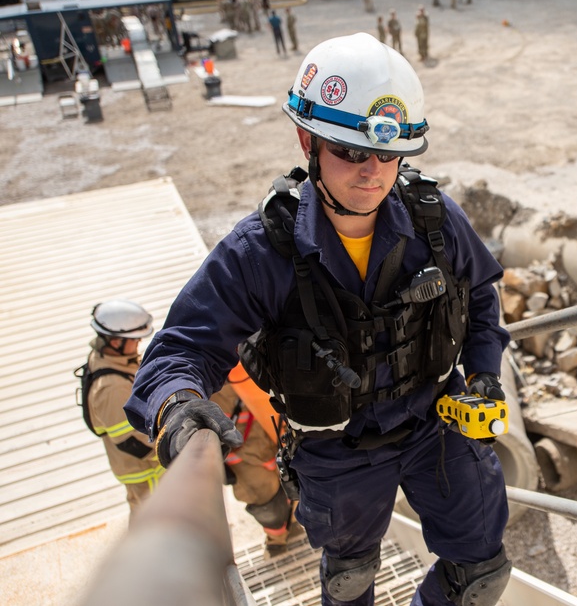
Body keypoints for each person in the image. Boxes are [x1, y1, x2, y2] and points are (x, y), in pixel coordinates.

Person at [125, 32, 512, 606]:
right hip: (338, 450)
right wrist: (179, 410)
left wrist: (482, 375)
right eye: (350, 152)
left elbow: (481, 293)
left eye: (388, 154)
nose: (372, 172)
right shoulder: (260, 252)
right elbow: (181, 349)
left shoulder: (435, 220)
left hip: (437, 424)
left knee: (480, 574)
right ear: (307, 139)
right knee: (349, 583)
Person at [84, 300, 163, 522]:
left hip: (148, 467)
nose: (138, 344)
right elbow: (132, 442)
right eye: (134, 340)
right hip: (146, 472)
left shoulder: (112, 359)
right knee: (153, 522)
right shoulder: (111, 388)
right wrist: (173, 452)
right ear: (116, 341)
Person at [214, 364, 301, 557]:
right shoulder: (203, 362)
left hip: (271, 434)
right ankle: (277, 541)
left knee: (291, 484)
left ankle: (292, 525)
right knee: (266, 503)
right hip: (244, 453)